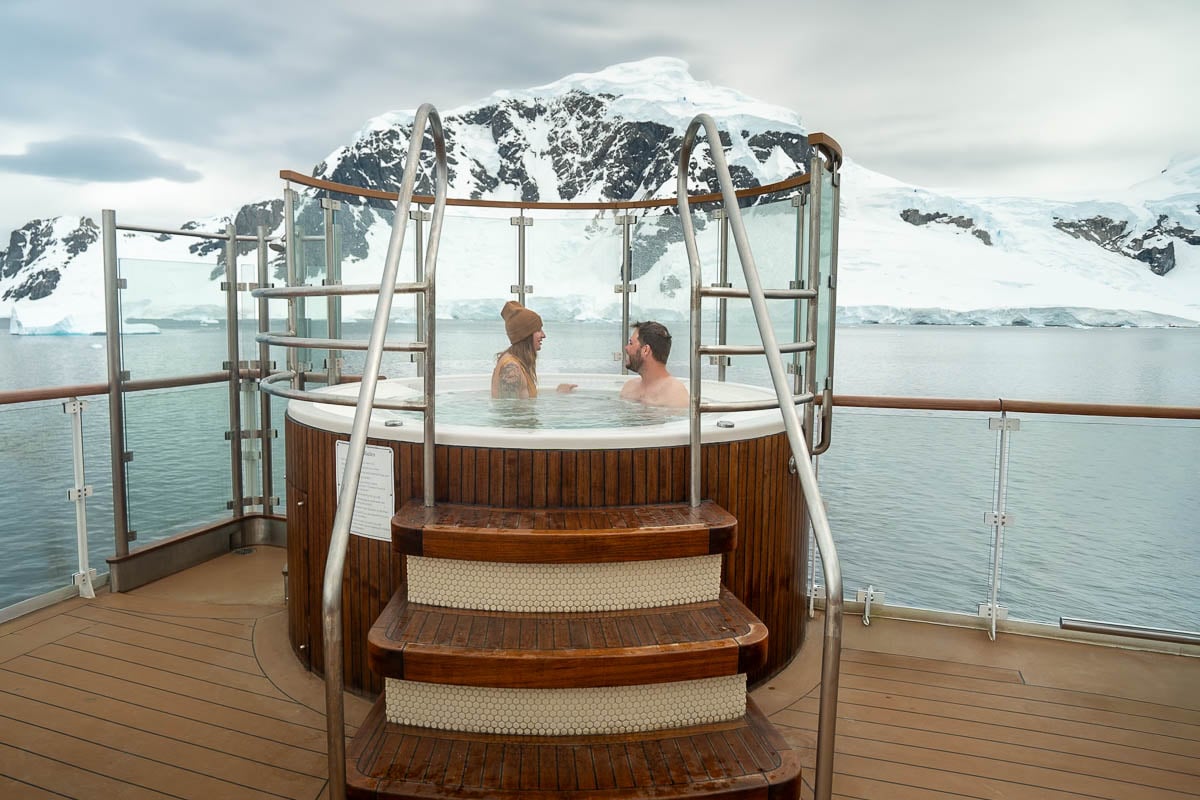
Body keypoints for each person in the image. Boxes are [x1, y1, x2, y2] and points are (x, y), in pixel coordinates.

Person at [491, 301, 576, 399]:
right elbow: (509, 412)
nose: (543, 335)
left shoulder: (515, 362)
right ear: (525, 335)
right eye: (539, 330)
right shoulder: (512, 369)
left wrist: (559, 393)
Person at [619, 320, 689, 408]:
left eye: (631, 343)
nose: (626, 348)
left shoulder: (674, 393)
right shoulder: (629, 388)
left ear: (645, 350)